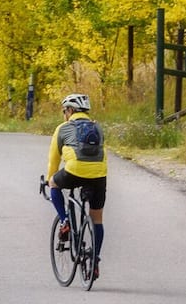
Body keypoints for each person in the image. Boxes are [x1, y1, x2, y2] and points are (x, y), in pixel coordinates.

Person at [46, 93, 107, 278]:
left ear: (70, 110)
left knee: (54, 183)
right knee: (97, 218)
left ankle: (65, 221)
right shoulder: (98, 127)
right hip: (99, 174)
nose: (64, 114)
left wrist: (49, 180)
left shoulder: (63, 128)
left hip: (73, 171)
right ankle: (95, 260)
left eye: (65, 110)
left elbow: (53, 160)